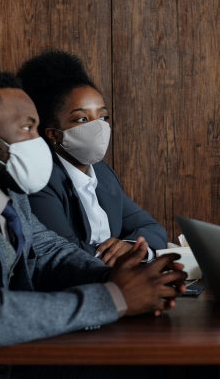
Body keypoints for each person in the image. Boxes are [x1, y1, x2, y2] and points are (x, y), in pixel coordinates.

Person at [0, 69, 186, 379]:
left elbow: (47, 251)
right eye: (27, 127)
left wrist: (115, 275)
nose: (38, 140)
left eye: (37, 128)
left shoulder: (7, 187)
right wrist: (114, 297)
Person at [16, 50, 166, 267]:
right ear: (53, 133)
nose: (98, 127)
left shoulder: (103, 173)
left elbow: (152, 228)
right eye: (82, 119)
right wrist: (123, 256)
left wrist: (130, 246)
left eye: (103, 116)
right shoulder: (41, 180)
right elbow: (64, 251)